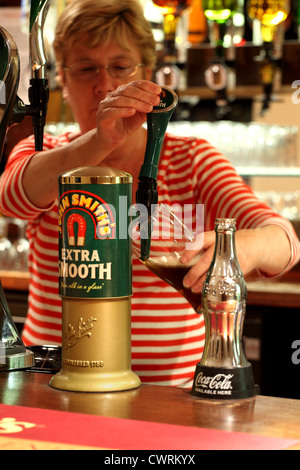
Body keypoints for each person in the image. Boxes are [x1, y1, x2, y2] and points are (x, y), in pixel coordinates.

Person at [0, 0, 299, 388]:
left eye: (121, 67)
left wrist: (244, 247)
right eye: (86, 67)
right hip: (56, 384)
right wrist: (100, 139)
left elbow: (285, 243)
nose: (104, 84)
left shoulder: (191, 159)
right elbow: (10, 197)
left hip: (170, 397)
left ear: (147, 76)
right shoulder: (45, 153)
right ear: (63, 79)